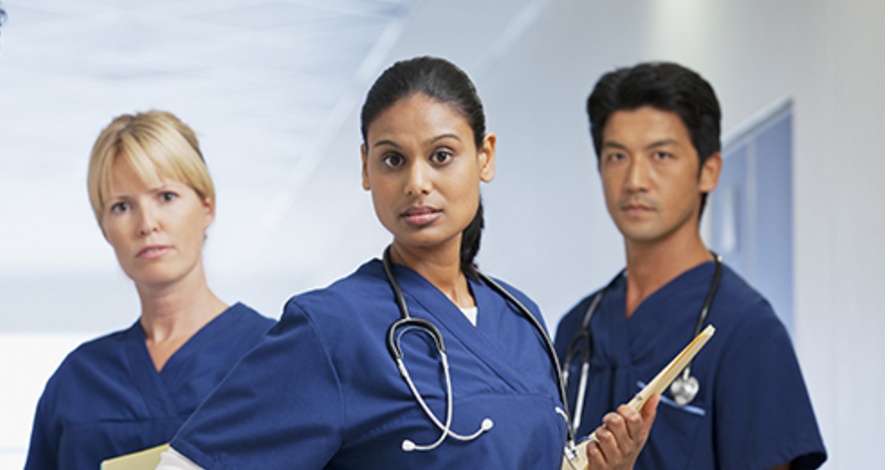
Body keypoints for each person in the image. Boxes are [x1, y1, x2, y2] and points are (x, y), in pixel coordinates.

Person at [157, 56, 655, 470]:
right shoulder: (332, 328)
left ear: (485, 157)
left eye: (441, 156)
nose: (417, 182)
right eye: (393, 159)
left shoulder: (521, 318)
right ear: (366, 168)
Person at [554, 62, 827, 469]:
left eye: (660, 155)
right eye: (616, 156)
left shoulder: (748, 332)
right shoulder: (579, 327)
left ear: (709, 171)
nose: (635, 180)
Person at [25, 110, 274, 469]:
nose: (147, 223)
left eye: (166, 196)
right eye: (122, 206)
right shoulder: (76, 383)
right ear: (105, 229)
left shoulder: (273, 354)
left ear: (207, 207)